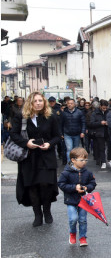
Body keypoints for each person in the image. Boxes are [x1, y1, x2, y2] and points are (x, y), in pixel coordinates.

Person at [10, 91, 60, 227]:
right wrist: (26, 143)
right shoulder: (21, 117)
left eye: (40, 101)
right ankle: (37, 214)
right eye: (35, 101)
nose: (38, 103)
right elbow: (13, 134)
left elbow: (57, 136)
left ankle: (47, 211)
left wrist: (49, 144)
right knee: (32, 186)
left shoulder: (51, 117)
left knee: (46, 185)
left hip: (46, 156)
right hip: (29, 157)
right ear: (30, 103)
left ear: (44, 102)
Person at [58, 147, 97, 247]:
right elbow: (61, 184)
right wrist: (74, 187)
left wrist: (86, 188)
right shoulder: (66, 173)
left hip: (83, 200)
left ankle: (83, 237)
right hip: (70, 200)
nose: (84, 162)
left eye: (86, 160)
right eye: (81, 160)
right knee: (73, 219)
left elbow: (92, 183)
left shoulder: (87, 172)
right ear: (73, 160)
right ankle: (73, 233)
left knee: (83, 219)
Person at [60, 98, 86, 163]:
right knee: (69, 149)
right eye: (68, 103)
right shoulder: (64, 113)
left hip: (77, 133)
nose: (70, 105)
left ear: (74, 104)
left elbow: (83, 122)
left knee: (75, 150)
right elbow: (61, 124)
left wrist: (83, 132)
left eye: (71, 103)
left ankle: (75, 163)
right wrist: (61, 133)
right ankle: (70, 165)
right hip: (67, 134)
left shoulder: (79, 112)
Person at [87, 100, 110, 169]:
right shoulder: (95, 113)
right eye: (103, 108)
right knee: (101, 148)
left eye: (106, 108)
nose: (105, 109)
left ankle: (109, 159)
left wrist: (109, 122)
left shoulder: (109, 112)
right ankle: (103, 162)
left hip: (108, 132)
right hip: (99, 132)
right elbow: (91, 123)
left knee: (110, 147)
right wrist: (100, 123)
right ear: (100, 106)